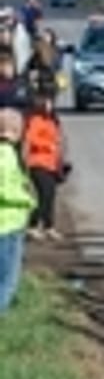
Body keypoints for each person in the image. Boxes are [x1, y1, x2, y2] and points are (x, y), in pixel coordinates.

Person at [0, 108, 35, 313]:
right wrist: (28, 200)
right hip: (8, 223)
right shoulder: (6, 155)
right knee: (7, 279)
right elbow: (6, 188)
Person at [24, 97, 67, 240]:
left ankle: (49, 226)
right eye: (47, 104)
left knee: (51, 196)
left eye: (51, 104)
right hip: (38, 163)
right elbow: (31, 139)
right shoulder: (36, 120)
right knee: (44, 195)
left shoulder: (52, 121)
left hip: (52, 164)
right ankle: (33, 225)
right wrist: (47, 145)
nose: (49, 107)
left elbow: (58, 139)